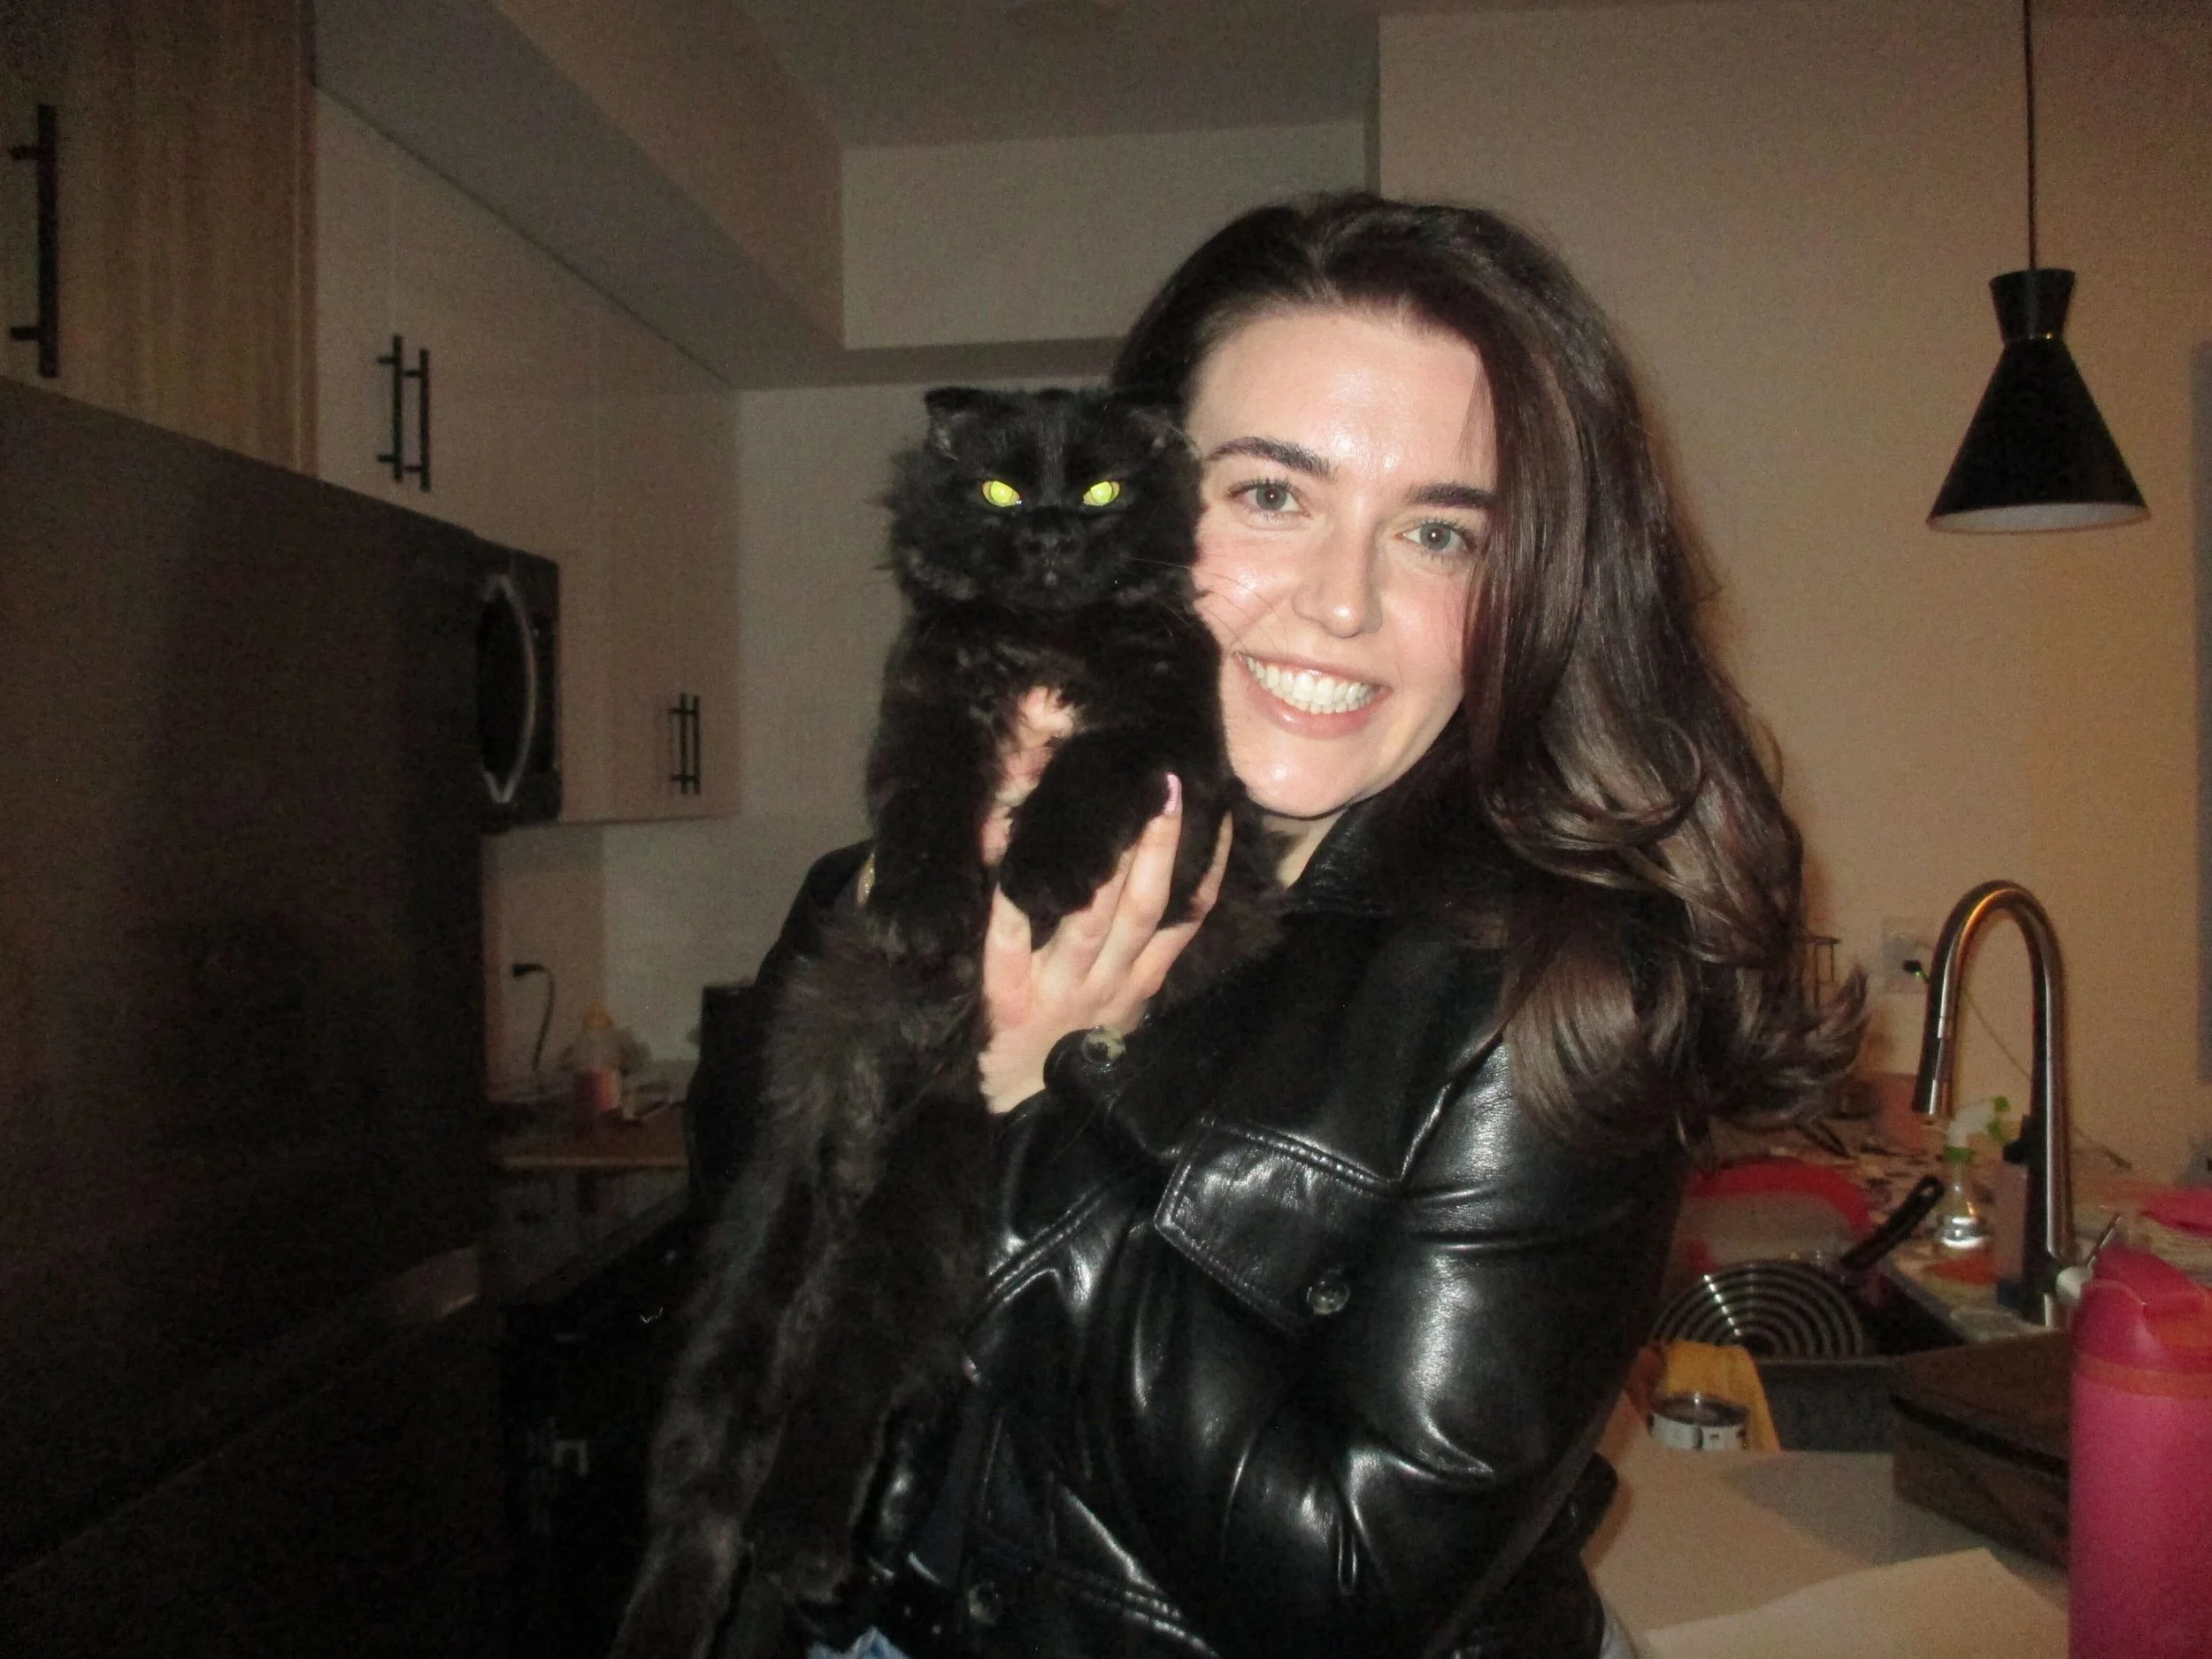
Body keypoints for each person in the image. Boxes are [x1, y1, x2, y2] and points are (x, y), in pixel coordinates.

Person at [699, 193, 1859, 1659]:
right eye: (1269, 496)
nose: (1342, 604)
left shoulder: (1556, 997)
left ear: (1530, 585)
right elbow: (741, 1282)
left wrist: (1032, 1108)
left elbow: (1353, 1590)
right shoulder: (930, 860)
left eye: (1437, 531)